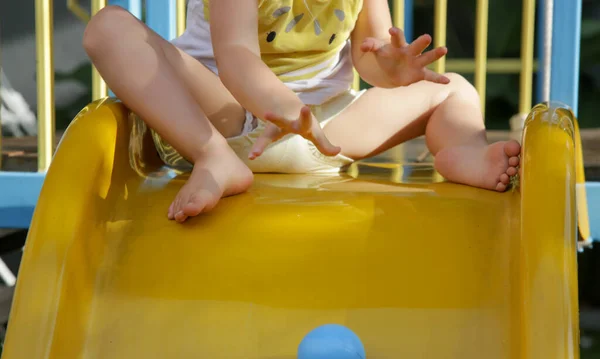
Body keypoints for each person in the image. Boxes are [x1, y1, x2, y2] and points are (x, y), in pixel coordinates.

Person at [83, 0, 521, 223]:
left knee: (453, 91)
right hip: (223, 120)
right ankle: (212, 159)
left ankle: (464, 150)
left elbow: (368, 54)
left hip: (324, 131)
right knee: (109, 27)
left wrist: (390, 69)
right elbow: (236, 59)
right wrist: (285, 110)